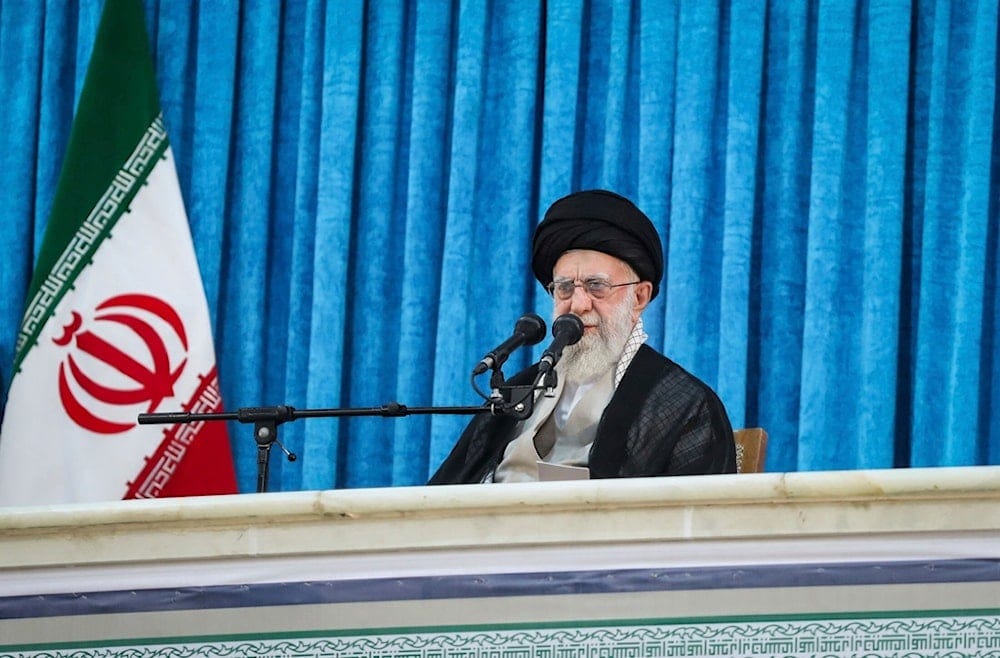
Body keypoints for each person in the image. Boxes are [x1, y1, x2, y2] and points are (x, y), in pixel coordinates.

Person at [429, 189, 736, 484]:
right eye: (564, 288)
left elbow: (694, 514)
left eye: (596, 286)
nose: (577, 305)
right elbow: (446, 494)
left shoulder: (683, 403)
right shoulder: (519, 389)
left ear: (639, 297)